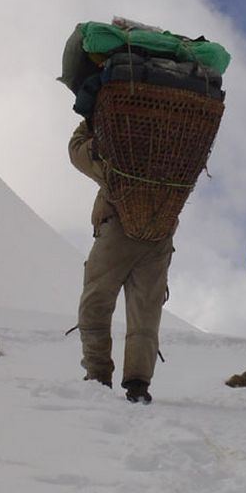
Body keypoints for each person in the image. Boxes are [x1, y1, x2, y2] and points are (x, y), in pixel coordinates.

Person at [68, 120, 173, 403]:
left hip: (116, 230)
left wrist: (89, 122)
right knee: (145, 312)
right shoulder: (172, 153)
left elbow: (76, 152)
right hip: (159, 237)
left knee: (96, 302)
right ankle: (139, 384)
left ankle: (98, 373)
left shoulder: (118, 149)